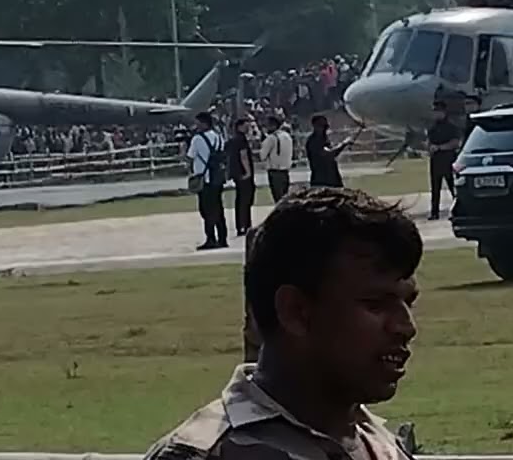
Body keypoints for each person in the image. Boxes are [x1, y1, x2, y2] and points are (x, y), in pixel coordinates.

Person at [141, 187, 422, 460]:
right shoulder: (207, 453)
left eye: (407, 303)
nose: (406, 327)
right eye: (375, 303)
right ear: (296, 311)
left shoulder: (378, 444)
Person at [187, 112, 228, 250]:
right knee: (218, 207)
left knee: (206, 209)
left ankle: (211, 238)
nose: (196, 126)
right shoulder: (219, 137)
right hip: (217, 177)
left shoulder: (197, 139)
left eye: (198, 123)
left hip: (204, 178)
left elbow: (190, 156)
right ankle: (222, 237)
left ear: (204, 123)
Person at [426, 101, 461, 220]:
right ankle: (434, 212)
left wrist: (440, 147)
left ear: (444, 112)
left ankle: (459, 210)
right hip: (435, 161)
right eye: (434, 112)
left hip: (448, 159)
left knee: (453, 187)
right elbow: (429, 142)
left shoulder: (451, 127)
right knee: (435, 188)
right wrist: (429, 147)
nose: (436, 114)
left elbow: (455, 143)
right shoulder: (432, 128)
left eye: (438, 112)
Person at [307, 114, 359, 188]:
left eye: (325, 127)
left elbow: (332, 153)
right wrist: (344, 143)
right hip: (321, 181)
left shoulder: (324, 139)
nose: (324, 129)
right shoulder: (313, 141)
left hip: (333, 179)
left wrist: (345, 143)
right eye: (321, 126)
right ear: (315, 126)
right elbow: (329, 154)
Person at [260, 115, 294, 203]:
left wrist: (263, 141)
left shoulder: (271, 138)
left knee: (278, 198)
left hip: (275, 171)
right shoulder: (287, 136)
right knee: (285, 198)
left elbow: (262, 155)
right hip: (285, 171)